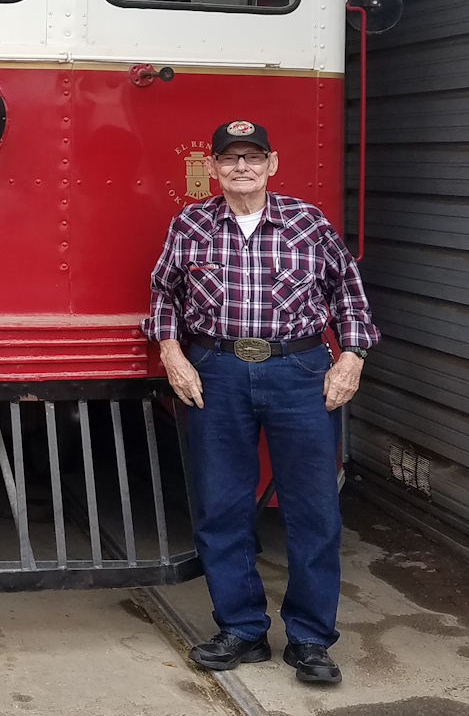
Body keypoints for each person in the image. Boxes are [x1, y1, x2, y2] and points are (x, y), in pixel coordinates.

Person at [144, 119, 379, 685]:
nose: (241, 168)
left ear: (272, 164)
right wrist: (172, 356)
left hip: (298, 371)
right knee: (222, 505)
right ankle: (242, 629)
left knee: (313, 510)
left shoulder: (307, 224)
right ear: (215, 167)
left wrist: (351, 359)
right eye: (230, 159)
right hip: (216, 371)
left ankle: (310, 640)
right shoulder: (192, 223)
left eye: (253, 158)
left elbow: (348, 294)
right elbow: (163, 294)